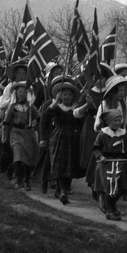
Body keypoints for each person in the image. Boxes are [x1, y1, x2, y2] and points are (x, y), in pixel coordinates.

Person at [93, 74, 127, 220]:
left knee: (121, 179)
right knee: (106, 179)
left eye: (123, 90)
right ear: (113, 91)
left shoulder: (125, 105)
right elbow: (96, 127)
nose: (122, 93)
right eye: (119, 90)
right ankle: (104, 200)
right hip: (106, 144)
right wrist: (101, 123)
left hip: (122, 143)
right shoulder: (104, 105)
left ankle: (111, 203)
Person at [41, 75, 87, 204]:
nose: (67, 97)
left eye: (69, 95)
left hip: (73, 138)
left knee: (71, 164)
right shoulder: (57, 108)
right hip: (59, 137)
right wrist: (55, 102)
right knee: (60, 163)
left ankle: (65, 188)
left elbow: (81, 122)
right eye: (64, 94)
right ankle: (61, 190)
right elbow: (46, 116)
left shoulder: (76, 109)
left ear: (73, 96)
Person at [2, 81, 40, 191]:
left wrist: (36, 123)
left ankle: (26, 180)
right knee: (18, 155)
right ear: (16, 93)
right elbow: (6, 122)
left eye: (24, 92)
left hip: (28, 134)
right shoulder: (12, 107)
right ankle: (18, 179)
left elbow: (39, 118)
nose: (22, 94)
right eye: (20, 92)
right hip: (16, 133)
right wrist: (4, 136)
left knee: (28, 158)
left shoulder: (31, 107)